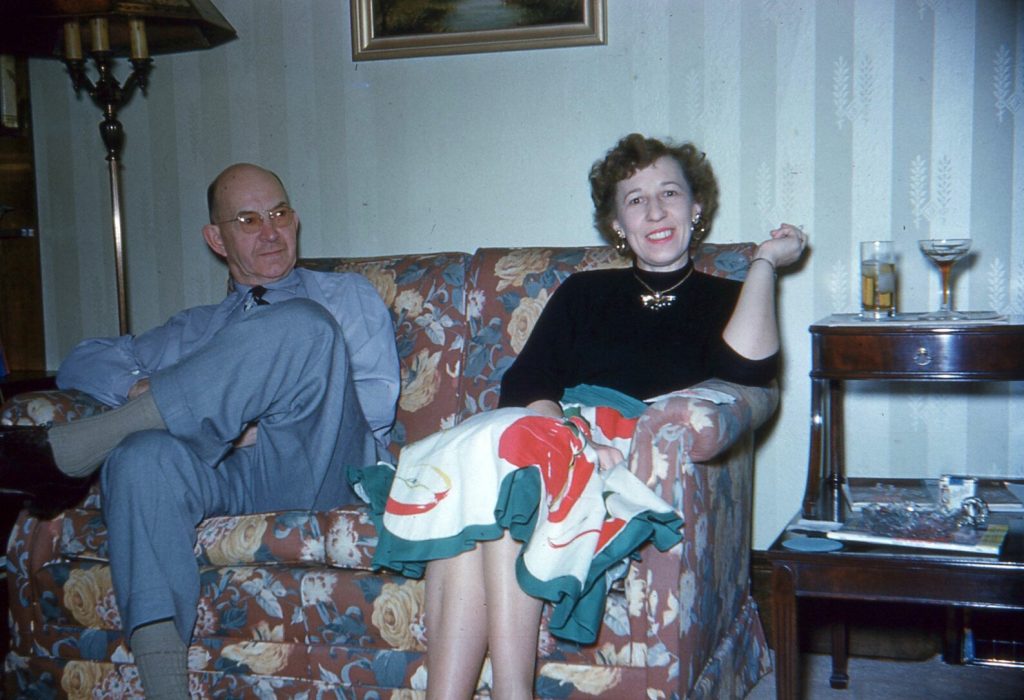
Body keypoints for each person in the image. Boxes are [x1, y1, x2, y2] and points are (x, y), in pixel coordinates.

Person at [364, 133, 807, 700]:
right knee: (498, 488)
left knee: (500, 491)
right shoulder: (583, 292)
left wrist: (765, 262)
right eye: (636, 200)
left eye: (670, 193)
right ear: (618, 224)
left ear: (696, 209)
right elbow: (526, 383)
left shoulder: (726, 298)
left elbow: (749, 371)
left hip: (627, 458)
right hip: (559, 438)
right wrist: (567, 437)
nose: (655, 211)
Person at [0, 163, 400, 698]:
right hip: (230, 482)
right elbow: (83, 361)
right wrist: (140, 389)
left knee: (304, 326)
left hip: (322, 466)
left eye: (280, 213)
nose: (271, 231)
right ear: (216, 238)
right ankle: (166, 689)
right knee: (140, 456)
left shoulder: (345, 297)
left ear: (296, 220)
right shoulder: (194, 328)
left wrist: (241, 423)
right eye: (248, 219)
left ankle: (68, 453)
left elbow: (373, 407)